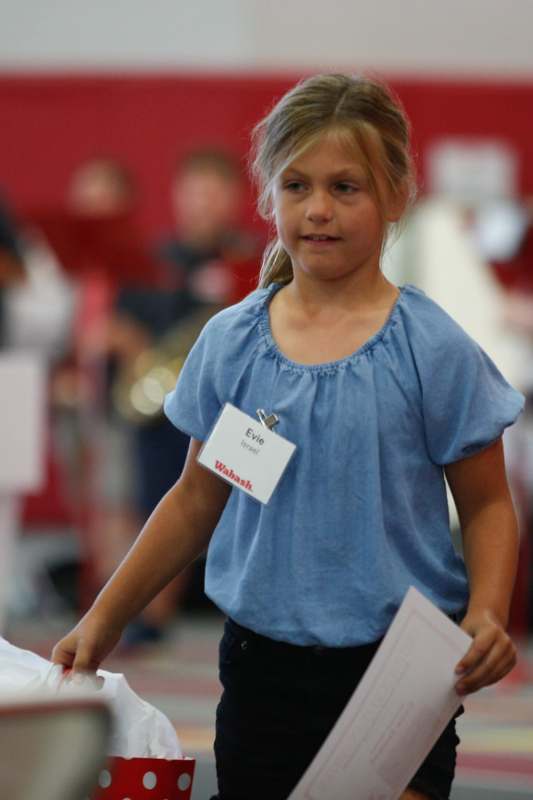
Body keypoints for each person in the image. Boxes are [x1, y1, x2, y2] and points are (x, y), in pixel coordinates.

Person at [52, 74, 523, 800]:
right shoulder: (231, 342)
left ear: (395, 195)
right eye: (297, 185)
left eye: (346, 187)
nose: (319, 210)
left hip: (398, 676)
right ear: (268, 197)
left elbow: (489, 504)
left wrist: (487, 609)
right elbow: (191, 502)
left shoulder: (432, 347)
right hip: (259, 673)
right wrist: (104, 619)